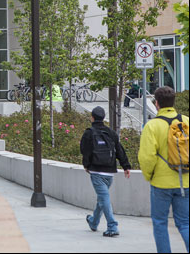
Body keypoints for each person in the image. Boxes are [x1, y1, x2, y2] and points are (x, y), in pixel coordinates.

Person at [138, 86, 189, 253]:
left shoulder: (152, 126)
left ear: (157, 103)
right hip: (186, 182)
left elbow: (147, 157)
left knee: (160, 223)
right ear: (173, 101)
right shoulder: (186, 121)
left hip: (161, 184)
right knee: (185, 223)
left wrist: (150, 176)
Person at [80, 106, 131, 237]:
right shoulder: (111, 132)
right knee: (102, 199)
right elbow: (119, 150)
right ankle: (93, 222)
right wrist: (126, 166)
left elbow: (84, 151)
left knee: (104, 198)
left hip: (96, 171)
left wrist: (86, 165)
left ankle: (112, 226)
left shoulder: (89, 133)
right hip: (110, 172)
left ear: (92, 117)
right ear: (103, 118)